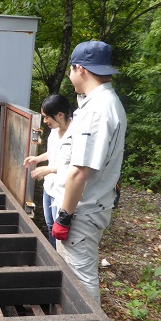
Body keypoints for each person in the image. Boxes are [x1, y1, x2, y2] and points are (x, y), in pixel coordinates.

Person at [52, 40, 127, 304]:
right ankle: (72, 320)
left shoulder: (97, 110)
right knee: (74, 273)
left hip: (82, 211)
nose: (70, 76)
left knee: (80, 276)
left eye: (71, 70)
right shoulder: (105, 102)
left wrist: (63, 217)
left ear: (80, 68)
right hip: (91, 206)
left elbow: (79, 172)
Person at [24, 94, 72, 249]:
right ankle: (55, 256)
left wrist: (48, 169)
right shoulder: (55, 130)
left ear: (60, 114)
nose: (44, 121)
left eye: (46, 117)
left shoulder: (76, 134)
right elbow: (53, 153)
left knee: (62, 233)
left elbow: (76, 167)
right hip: (49, 188)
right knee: (50, 226)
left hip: (64, 192)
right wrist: (37, 159)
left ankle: (62, 260)